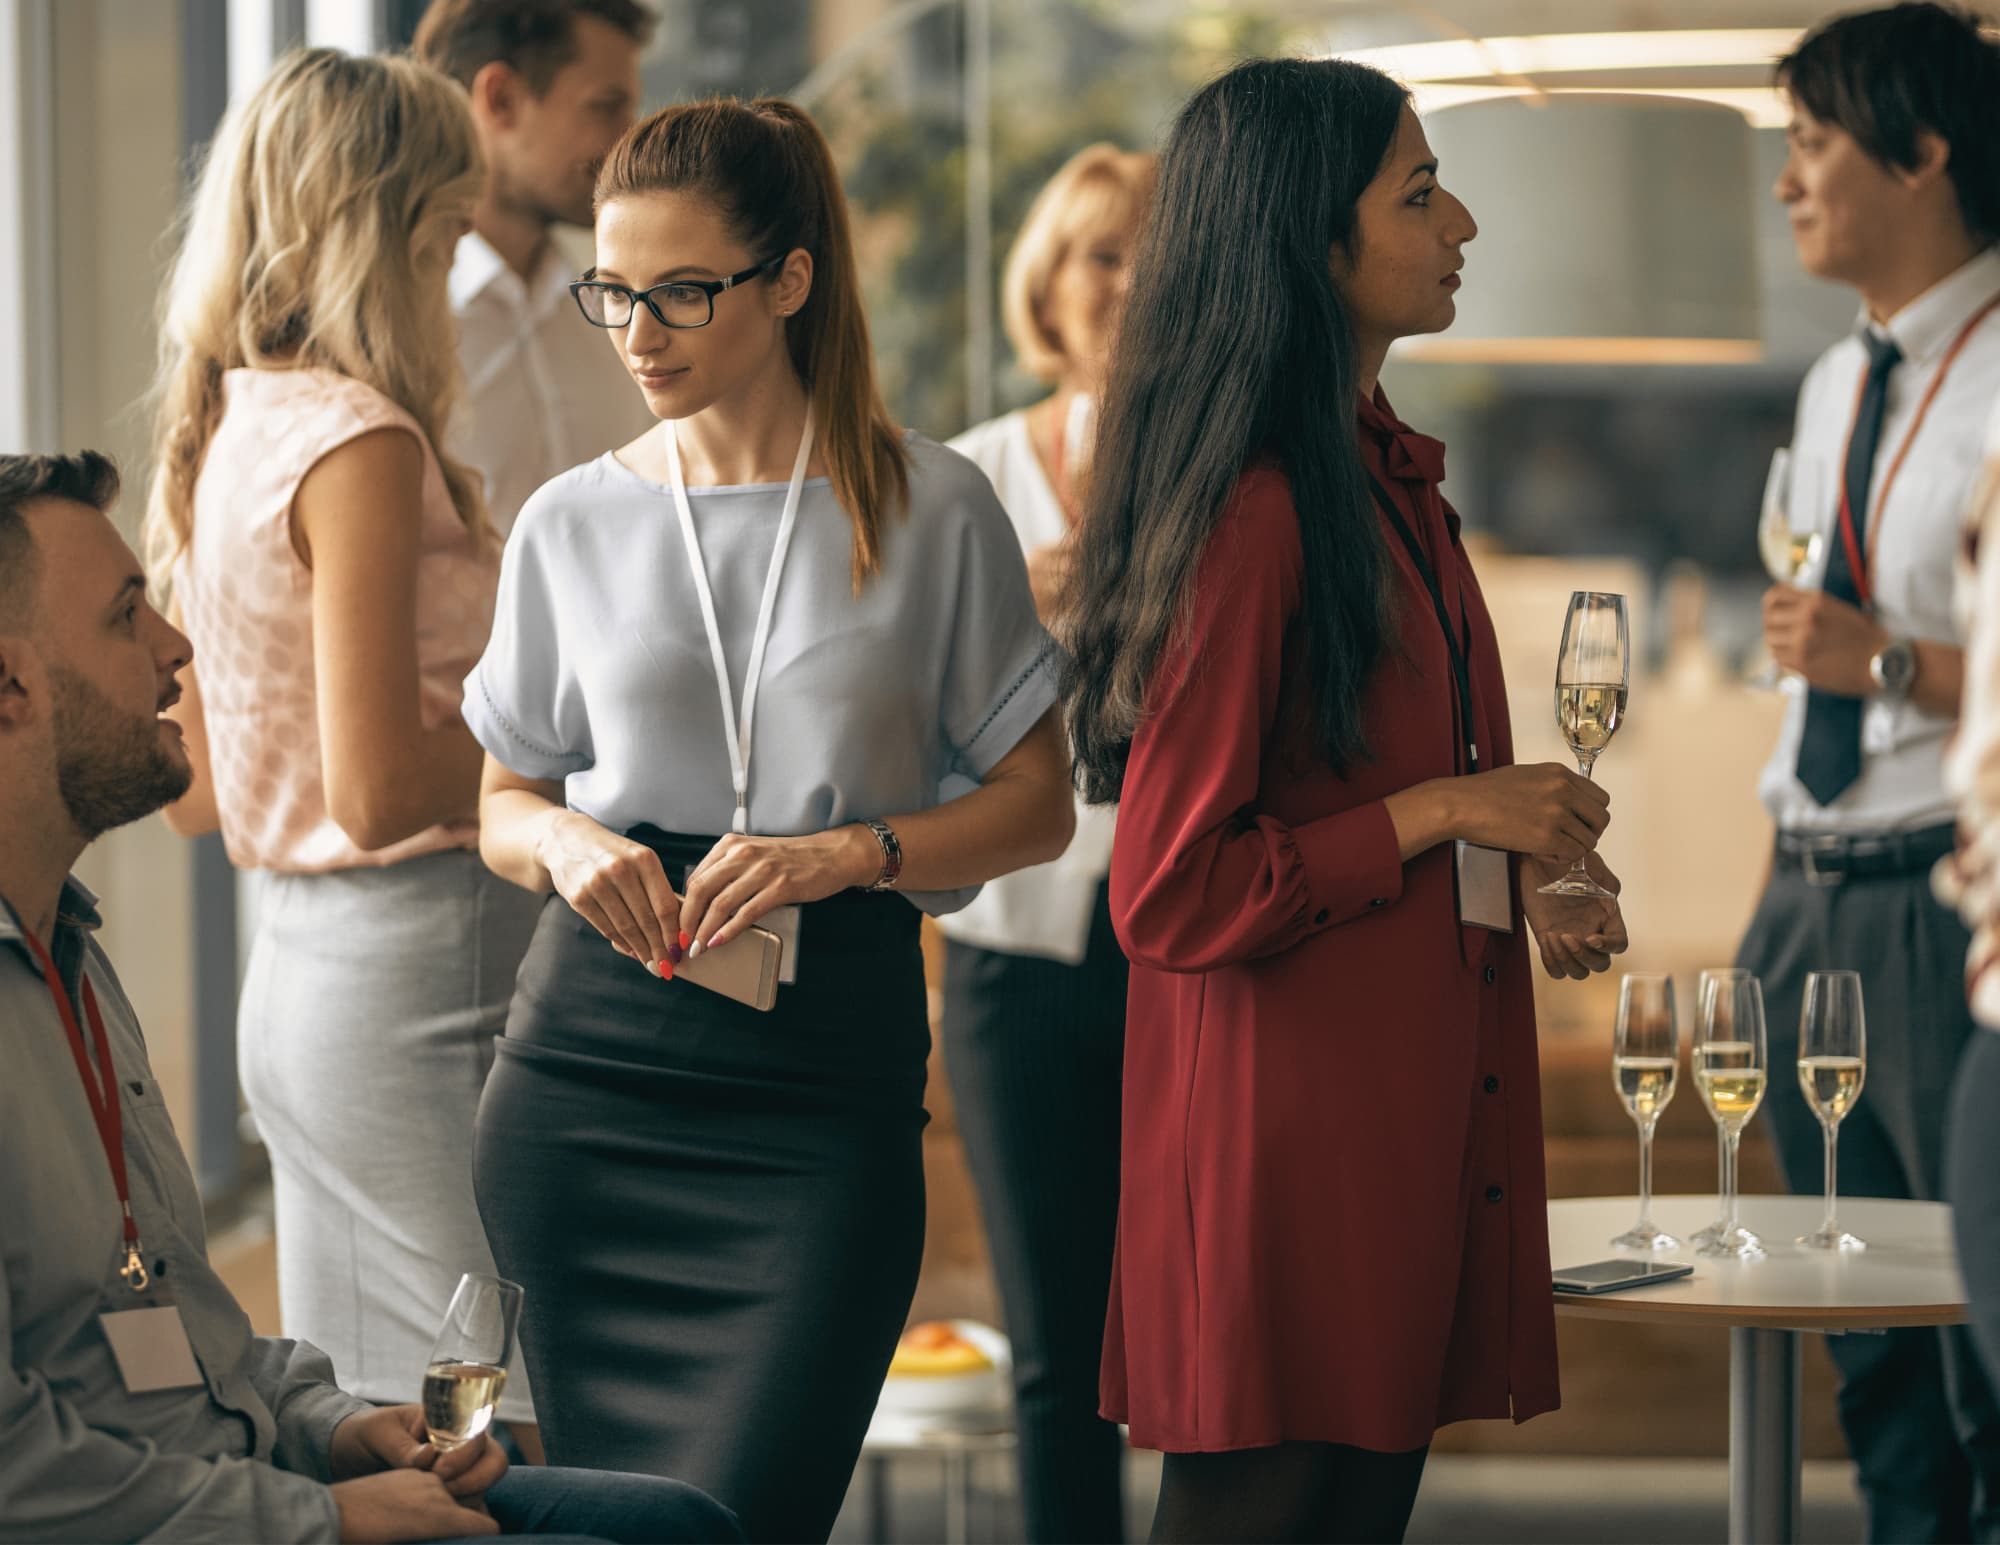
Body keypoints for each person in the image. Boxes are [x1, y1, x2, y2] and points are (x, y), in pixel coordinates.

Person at [463, 97, 1076, 1543]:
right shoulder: (571, 520)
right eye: (613, 291)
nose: (637, 331)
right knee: (616, 1520)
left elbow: (1038, 806)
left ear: (790, 280)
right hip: (583, 1088)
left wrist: (855, 850)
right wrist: (563, 841)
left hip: (821, 1095)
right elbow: (499, 799)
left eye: (682, 290)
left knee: (742, 1511)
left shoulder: (935, 505)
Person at [1062, 57, 1630, 1544]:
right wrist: (1451, 814)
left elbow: (1406, 770)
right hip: (1286, 1145)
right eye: (1421, 192)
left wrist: (1530, 856)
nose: (1464, 224)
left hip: (1386, 1115)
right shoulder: (1257, 507)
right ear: (1315, 240)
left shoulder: (1384, 483)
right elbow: (1170, 889)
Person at [0, 449, 740, 1545]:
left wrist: (345, 1431)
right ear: (9, 687)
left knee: (683, 1525)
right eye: (125, 617)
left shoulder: (74, 956)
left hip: (252, 1487)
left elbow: (187, 1338)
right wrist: (321, 1520)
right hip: (219, 1521)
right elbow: (18, 1477)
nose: (176, 648)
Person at [146, 48, 543, 1456]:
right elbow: (378, 789)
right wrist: (570, 766)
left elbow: (201, 799)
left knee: (384, 1425)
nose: (448, 279)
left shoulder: (226, 425)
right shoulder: (361, 440)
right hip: (420, 989)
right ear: (382, 234)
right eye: (439, 240)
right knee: (489, 1426)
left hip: (304, 983)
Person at [1732, 7, 2000, 1537]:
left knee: (1976, 1355)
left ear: (1924, 149)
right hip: (1804, 896)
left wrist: (1883, 662)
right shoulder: (1841, 378)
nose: (1789, 183)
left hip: (1934, 903)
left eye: (1814, 144)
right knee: (1869, 1363)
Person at [935, 141, 1153, 1545]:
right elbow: (896, 717)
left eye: (1151, 255)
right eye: (1099, 254)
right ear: (1046, 286)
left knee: (1199, 1327)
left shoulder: (1228, 471)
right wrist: (1009, 600)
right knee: (1054, 1345)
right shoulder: (967, 478)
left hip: (1189, 928)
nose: (1128, 284)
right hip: (1015, 951)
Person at [413, 0, 659, 539]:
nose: (629, 137)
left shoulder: (625, 315)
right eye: (606, 107)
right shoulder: (403, 337)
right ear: (501, 100)